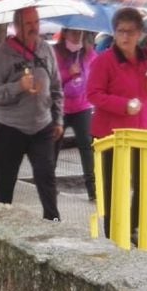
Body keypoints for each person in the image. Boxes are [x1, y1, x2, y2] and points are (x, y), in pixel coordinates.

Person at [87, 7, 147, 241]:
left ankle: (134, 228)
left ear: (140, 33)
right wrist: (123, 105)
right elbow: (93, 94)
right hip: (111, 134)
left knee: (144, 183)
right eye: (120, 31)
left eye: (130, 31)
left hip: (141, 131)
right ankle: (113, 232)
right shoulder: (104, 61)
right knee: (112, 187)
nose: (125, 37)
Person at [0, 7, 64, 221]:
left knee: (46, 177)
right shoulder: (3, 53)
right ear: (17, 25)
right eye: (29, 24)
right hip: (9, 128)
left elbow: (56, 86)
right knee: (5, 183)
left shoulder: (46, 49)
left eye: (36, 22)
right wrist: (18, 86)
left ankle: (53, 223)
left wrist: (58, 118)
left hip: (42, 125)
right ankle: (0, 226)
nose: (34, 27)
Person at [52, 27, 97, 200]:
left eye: (80, 32)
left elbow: (96, 73)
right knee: (54, 146)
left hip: (82, 106)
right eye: (73, 32)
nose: (77, 35)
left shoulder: (89, 53)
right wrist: (67, 73)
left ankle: (92, 189)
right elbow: (51, 79)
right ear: (65, 33)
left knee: (86, 145)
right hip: (60, 107)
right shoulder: (56, 52)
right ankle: (49, 184)